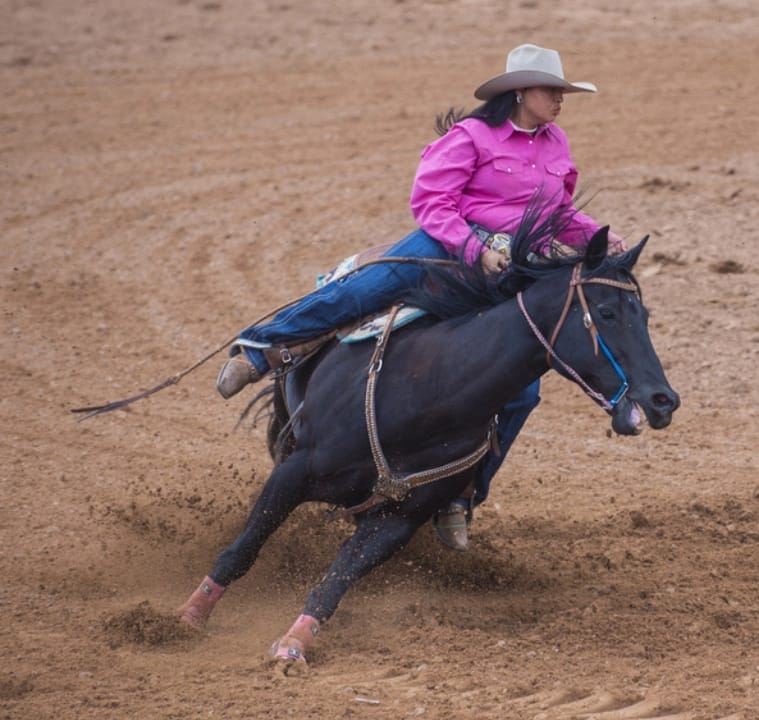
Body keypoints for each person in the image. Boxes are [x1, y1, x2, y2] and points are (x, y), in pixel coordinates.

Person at [214, 43, 624, 551]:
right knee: (362, 290)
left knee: (523, 391)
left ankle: (461, 496)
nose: (560, 100)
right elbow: (432, 202)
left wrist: (600, 236)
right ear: (520, 92)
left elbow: (558, 212)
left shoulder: (555, 142)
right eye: (551, 90)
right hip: (445, 247)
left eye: (562, 92)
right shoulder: (470, 136)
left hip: (508, 265)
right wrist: (474, 249)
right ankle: (259, 350)